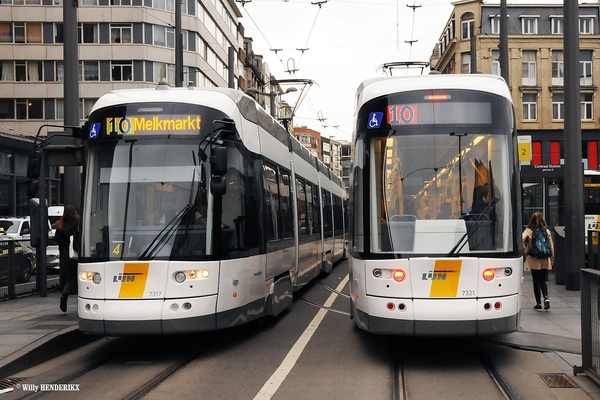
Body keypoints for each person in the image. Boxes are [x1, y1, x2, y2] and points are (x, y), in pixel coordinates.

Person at [522, 212, 554, 311]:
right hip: (545, 259)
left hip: (533, 258)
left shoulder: (529, 230)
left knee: (536, 281)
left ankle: (538, 303)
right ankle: (546, 298)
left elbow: (521, 238)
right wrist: (552, 259)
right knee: (542, 280)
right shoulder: (546, 230)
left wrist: (525, 249)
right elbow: (551, 246)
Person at [53, 205, 80, 313]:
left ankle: (64, 296)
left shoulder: (61, 225)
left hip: (65, 255)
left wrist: (66, 244)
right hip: (77, 254)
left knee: (69, 280)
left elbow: (56, 238)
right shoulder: (77, 224)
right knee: (80, 279)